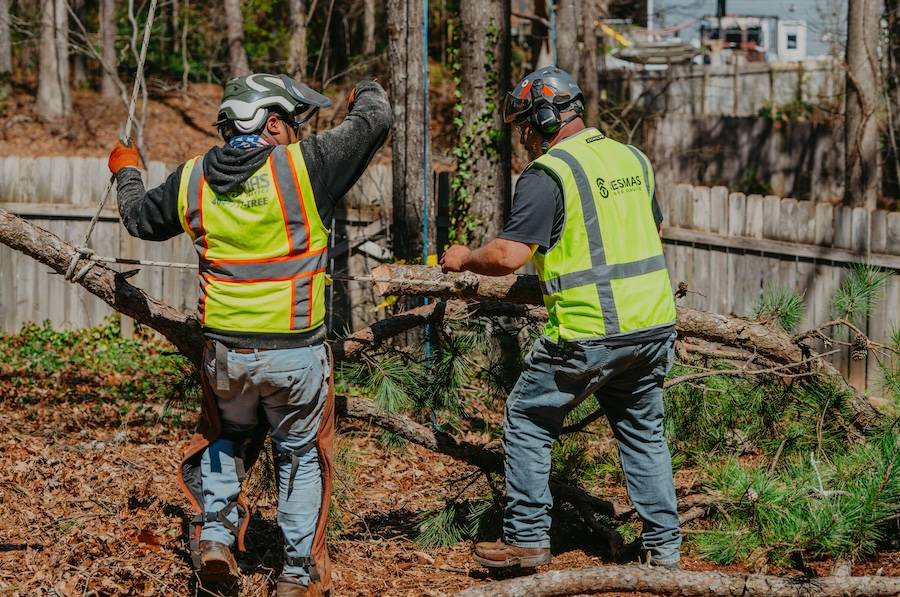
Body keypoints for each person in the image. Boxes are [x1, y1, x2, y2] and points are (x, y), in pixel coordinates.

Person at [107, 73, 392, 596]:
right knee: (300, 456)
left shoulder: (193, 178)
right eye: (292, 124)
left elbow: (137, 219)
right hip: (296, 355)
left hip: (226, 356)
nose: (297, 134)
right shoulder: (305, 167)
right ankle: (295, 573)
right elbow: (374, 121)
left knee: (225, 437)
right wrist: (367, 89)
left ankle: (215, 536)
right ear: (274, 123)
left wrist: (127, 171)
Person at [441, 66, 681, 570]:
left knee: (528, 418)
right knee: (643, 435)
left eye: (526, 125)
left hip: (590, 332)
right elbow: (650, 231)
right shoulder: (632, 158)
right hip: (654, 327)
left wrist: (463, 258)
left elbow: (508, 256)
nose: (524, 137)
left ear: (546, 118)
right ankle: (665, 549)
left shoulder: (549, 173)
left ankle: (527, 539)